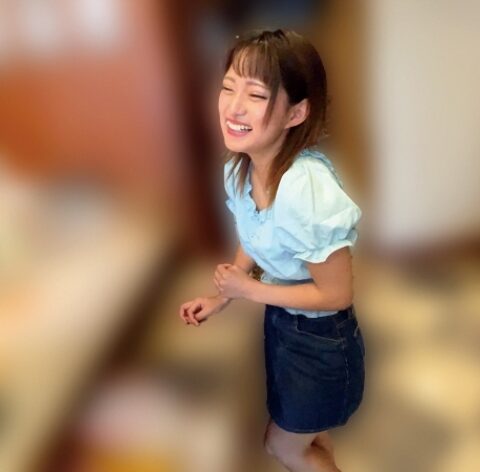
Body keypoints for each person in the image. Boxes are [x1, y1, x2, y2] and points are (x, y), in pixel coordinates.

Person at [179, 29, 365, 472]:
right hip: (284, 326)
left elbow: (337, 294)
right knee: (309, 438)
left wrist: (248, 290)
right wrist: (221, 297)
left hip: (322, 340)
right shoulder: (239, 168)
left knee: (282, 446)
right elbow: (256, 235)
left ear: (296, 112)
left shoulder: (306, 189)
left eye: (256, 95)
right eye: (228, 87)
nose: (233, 107)